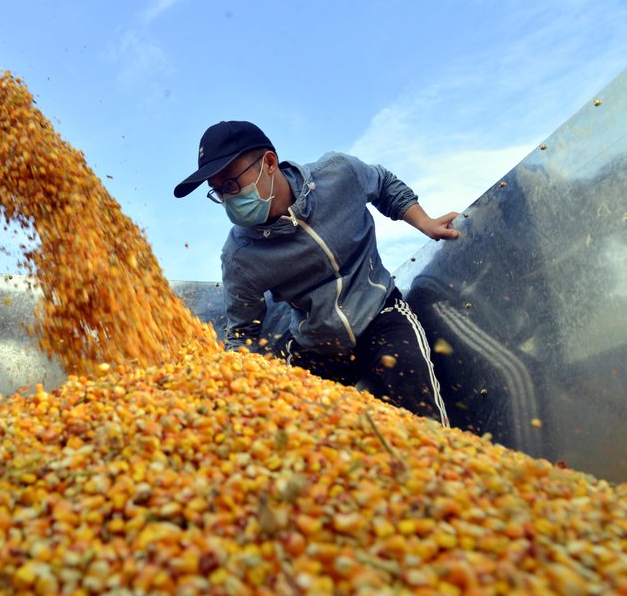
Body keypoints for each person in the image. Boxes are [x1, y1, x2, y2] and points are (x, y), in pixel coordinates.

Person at [173, 120, 459, 426]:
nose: (229, 199)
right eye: (218, 192)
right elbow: (243, 331)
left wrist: (425, 223)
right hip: (317, 346)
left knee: (424, 417)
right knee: (298, 431)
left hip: (381, 316)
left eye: (231, 184)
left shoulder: (338, 174)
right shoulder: (240, 256)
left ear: (269, 162)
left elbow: (384, 184)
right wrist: (233, 382)